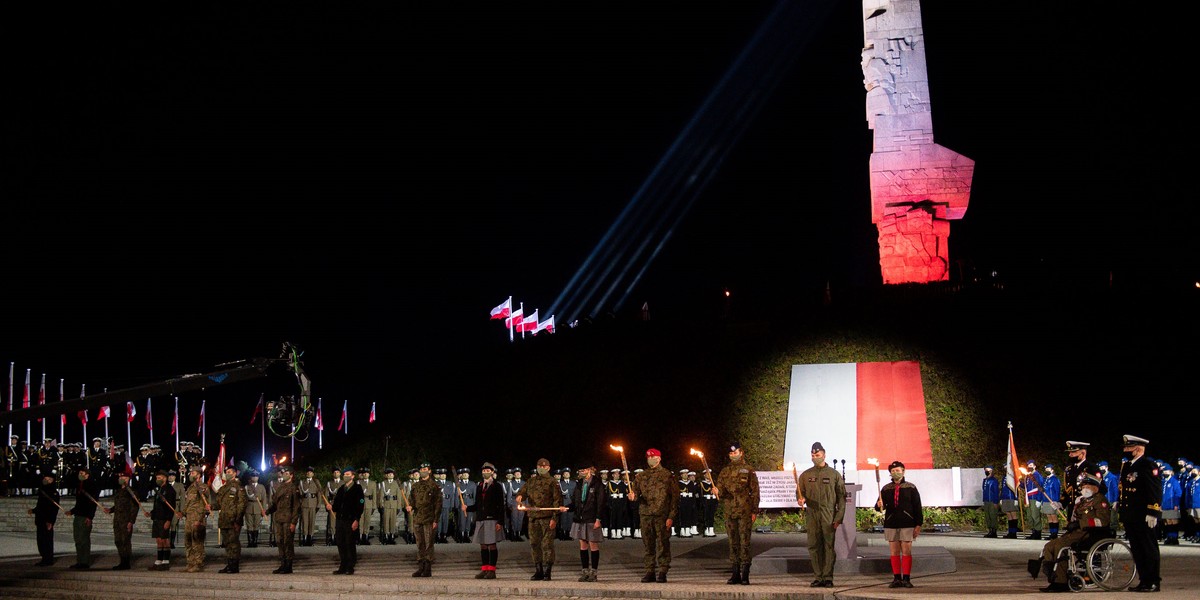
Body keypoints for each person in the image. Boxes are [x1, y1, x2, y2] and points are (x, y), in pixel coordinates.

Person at [1030, 474, 1110, 593]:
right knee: (1049, 546)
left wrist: (1080, 523)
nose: (1085, 488)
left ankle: (1061, 582)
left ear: (1096, 487)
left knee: (1060, 547)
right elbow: (1075, 517)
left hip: (1090, 533)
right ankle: (1053, 577)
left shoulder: (1100, 500)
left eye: (1088, 485)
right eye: (1083, 486)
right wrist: (1072, 522)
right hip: (1076, 532)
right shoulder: (1082, 501)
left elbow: (1102, 521)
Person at [795, 441, 846, 588]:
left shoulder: (834, 475)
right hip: (812, 514)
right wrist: (800, 499)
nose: (815, 457)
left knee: (828, 546)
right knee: (813, 546)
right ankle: (818, 577)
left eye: (817, 455)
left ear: (824, 455)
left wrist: (839, 518)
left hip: (828, 515)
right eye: (812, 455)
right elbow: (800, 493)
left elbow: (841, 498)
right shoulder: (806, 475)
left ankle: (828, 577)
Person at [1119, 434, 1162, 592]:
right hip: (1131, 514)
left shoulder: (1148, 465)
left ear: (1137, 449)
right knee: (1137, 549)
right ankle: (1144, 580)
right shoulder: (1128, 465)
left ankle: (1153, 581)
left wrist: (1153, 511)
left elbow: (1154, 489)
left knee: (1148, 548)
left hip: (1144, 514)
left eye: (1128, 448)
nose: (1125, 450)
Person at [629, 448, 679, 583]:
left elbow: (674, 498)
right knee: (648, 544)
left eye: (653, 457)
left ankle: (663, 570)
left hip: (661, 515)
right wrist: (632, 497)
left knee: (663, 544)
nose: (651, 459)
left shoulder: (667, 476)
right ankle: (649, 570)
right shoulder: (641, 476)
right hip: (645, 515)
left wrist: (671, 516)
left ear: (659, 458)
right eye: (649, 457)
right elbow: (636, 494)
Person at [715, 441, 760, 585]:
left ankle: (745, 574)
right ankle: (735, 573)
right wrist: (716, 491)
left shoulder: (748, 470)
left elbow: (755, 491)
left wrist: (754, 510)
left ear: (741, 452)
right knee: (732, 543)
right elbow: (720, 491)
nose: (733, 455)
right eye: (731, 453)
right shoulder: (725, 471)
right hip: (730, 512)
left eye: (735, 452)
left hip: (745, 511)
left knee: (744, 542)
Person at [515, 457, 563, 581]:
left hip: (547, 518)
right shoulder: (531, 481)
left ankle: (548, 571)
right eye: (539, 466)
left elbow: (557, 502)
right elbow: (522, 492)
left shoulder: (553, 482)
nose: (541, 468)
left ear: (548, 468)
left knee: (547, 545)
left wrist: (554, 518)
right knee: (534, 544)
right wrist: (520, 496)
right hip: (533, 518)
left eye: (544, 466)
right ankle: (538, 570)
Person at [875, 460, 922, 588]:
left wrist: (918, 524)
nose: (895, 472)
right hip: (891, 523)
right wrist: (879, 505)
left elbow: (917, 506)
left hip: (907, 523)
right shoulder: (885, 488)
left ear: (903, 471)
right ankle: (896, 578)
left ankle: (906, 578)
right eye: (893, 471)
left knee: (906, 551)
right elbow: (879, 507)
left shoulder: (910, 487)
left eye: (898, 470)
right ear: (890, 472)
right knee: (894, 551)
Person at [566, 462, 607, 582]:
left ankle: (593, 572)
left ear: (590, 470)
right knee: (583, 545)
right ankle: (585, 571)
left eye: (583, 470)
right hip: (580, 519)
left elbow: (601, 502)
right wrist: (566, 508)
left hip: (592, 518)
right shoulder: (579, 484)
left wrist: (598, 519)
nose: (581, 472)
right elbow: (575, 502)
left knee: (593, 544)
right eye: (580, 471)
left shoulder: (597, 483)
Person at [469, 462, 507, 579]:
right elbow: (477, 504)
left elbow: (501, 505)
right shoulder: (479, 486)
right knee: (483, 545)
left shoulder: (497, 486)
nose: (485, 473)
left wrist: (500, 521)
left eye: (488, 471)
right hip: (481, 519)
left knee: (491, 545)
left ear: (492, 472)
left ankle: (492, 570)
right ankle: (484, 569)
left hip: (492, 519)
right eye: (484, 471)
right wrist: (468, 507)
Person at [407, 462, 442, 577]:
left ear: (430, 471)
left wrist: (436, 520)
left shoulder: (434, 486)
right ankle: (420, 566)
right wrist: (410, 505)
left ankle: (427, 568)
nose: (423, 471)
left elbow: (438, 504)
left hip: (429, 518)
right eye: (421, 469)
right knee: (419, 543)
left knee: (428, 543)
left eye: (425, 469)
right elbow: (411, 499)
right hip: (418, 518)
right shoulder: (415, 486)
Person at [329, 466, 364, 575]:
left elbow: (360, 505)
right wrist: (331, 507)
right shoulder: (341, 489)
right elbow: (336, 505)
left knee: (350, 543)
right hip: (340, 520)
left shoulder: (357, 488)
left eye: (348, 475)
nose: (346, 476)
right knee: (340, 542)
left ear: (353, 476)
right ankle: (343, 565)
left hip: (350, 520)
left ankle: (350, 565)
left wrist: (356, 519)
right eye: (345, 475)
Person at [65, 465, 100, 569]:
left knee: (84, 540)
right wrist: (72, 511)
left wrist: (90, 517)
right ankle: (79, 561)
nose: (80, 475)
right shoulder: (80, 485)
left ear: (87, 475)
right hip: (78, 515)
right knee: (78, 539)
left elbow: (92, 504)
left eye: (82, 473)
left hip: (85, 517)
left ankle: (84, 562)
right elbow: (79, 504)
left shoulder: (91, 486)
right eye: (79, 473)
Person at [103, 469, 139, 570]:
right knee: (118, 540)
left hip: (126, 520)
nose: (121, 479)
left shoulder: (131, 492)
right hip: (117, 520)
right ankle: (122, 561)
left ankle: (126, 562)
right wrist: (110, 510)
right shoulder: (119, 491)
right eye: (120, 477)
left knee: (125, 541)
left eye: (124, 477)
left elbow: (134, 508)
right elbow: (118, 505)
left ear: (128, 479)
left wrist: (131, 521)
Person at [215, 464, 247, 574]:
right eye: (226, 472)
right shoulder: (223, 488)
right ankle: (229, 564)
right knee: (227, 543)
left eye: (230, 472)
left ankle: (234, 565)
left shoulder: (239, 487)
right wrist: (210, 506)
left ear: (235, 473)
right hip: (224, 520)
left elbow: (242, 505)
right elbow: (218, 503)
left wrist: (238, 520)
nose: (227, 474)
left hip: (233, 520)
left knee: (234, 543)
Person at [181, 463, 210, 573]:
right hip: (189, 518)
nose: (191, 474)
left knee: (197, 542)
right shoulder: (190, 488)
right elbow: (188, 503)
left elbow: (206, 504)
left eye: (193, 473)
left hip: (197, 519)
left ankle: (198, 563)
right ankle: (190, 563)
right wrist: (183, 513)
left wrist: (200, 519)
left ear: (199, 475)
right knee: (188, 542)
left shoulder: (203, 487)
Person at [146, 469, 177, 570]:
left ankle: (166, 561)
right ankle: (159, 560)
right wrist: (151, 513)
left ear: (165, 478)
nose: (157, 479)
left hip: (164, 518)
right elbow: (157, 505)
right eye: (157, 478)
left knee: (165, 540)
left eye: (159, 478)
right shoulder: (159, 489)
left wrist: (168, 520)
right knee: (158, 540)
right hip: (157, 518)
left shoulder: (169, 490)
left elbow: (171, 507)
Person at [29, 472, 59, 566]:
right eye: (45, 479)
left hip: (47, 520)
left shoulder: (53, 493)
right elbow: (41, 506)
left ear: (52, 481)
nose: (46, 481)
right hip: (40, 519)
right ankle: (44, 558)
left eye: (49, 479)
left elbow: (54, 509)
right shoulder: (42, 491)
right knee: (41, 540)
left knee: (47, 541)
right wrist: (34, 511)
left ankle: (48, 559)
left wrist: (50, 521)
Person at [1062, 441, 1096, 521]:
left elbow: (1101, 489)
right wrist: (1061, 502)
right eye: (1069, 452)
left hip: (1086, 509)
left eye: (1073, 452)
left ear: (1083, 453)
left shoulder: (1091, 468)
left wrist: (1086, 498)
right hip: (1072, 508)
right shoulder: (1070, 469)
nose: (1070, 455)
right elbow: (1069, 489)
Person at [297, 466, 321, 547]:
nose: (309, 473)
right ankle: (304, 537)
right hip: (304, 504)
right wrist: (300, 504)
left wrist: (318, 504)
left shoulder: (316, 482)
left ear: (313, 474)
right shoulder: (302, 482)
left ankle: (310, 538)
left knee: (311, 522)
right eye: (307, 472)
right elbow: (299, 495)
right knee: (305, 522)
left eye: (310, 472)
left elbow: (319, 494)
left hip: (313, 503)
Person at [244, 471, 267, 548]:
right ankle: (250, 542)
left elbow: (264, 499)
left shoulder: (261, 487)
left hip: (258, 507)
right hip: (249, 507)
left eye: (256, 476)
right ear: (250, 477)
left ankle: (255, 542)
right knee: (249, 525)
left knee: (256, 526)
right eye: (253, 476)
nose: (254, 477)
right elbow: (244, 498)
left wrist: (263, 510)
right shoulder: (247, 487)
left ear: (258, 477)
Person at [379, 467, 403, 545]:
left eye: (392, 474)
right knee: (386, 521)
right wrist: (381, 505)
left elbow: (399, 496)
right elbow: (381, 495)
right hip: (386, 505)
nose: (390, 475)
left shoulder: (396, 483)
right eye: (389, 474)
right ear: (386, 475)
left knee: (393, 521)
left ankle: (391, 536)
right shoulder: (383, 483)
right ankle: (386, 536)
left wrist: (399, 507)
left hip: (394, 505)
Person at [1160, 464, 1182, 545]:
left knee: (1174, 521)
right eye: (1164, 471)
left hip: (1172, 505)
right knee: (1167, 522)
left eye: (1166, 471)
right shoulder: (1163, 482)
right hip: (1165, 505)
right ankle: (1169, 537)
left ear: (1170, 472)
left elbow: (1178, 493)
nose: (1164, 473)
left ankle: (1174, 538)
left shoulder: (1174, 481)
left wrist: (1176, 504)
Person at [167, 470, 185, 548]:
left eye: (172, 476)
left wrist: (181, 510)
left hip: (176, 506)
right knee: (166, 525)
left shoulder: (179, 485)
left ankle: (172, 542)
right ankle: (167, 541)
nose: (171, 477)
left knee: (173, 524)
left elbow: (182, 498)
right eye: (169, 475)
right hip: (167, 506)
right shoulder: (165, 485)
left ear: (175, 477)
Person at [981, 466, 1000, 538]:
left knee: (993, 516)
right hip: (986, 500)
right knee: (987, 516)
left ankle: (994, 531)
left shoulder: (994, 480)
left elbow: (996, 491)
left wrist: (996, 501)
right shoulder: (985, 480)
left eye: (988, 470)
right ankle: (990, 530)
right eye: (985, 470)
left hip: (992, 500)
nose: (986, 471)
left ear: (991, 471)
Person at [325, 467, 341, 546]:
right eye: (334, 472)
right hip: (332, 505)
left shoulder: (344, 482)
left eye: (337, 472)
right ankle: (333, 537)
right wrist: (327, 504)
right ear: (332, 474)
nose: (336, 474)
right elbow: (326, 495)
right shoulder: (329, 483)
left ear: (340, 474)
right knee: (332, 522)